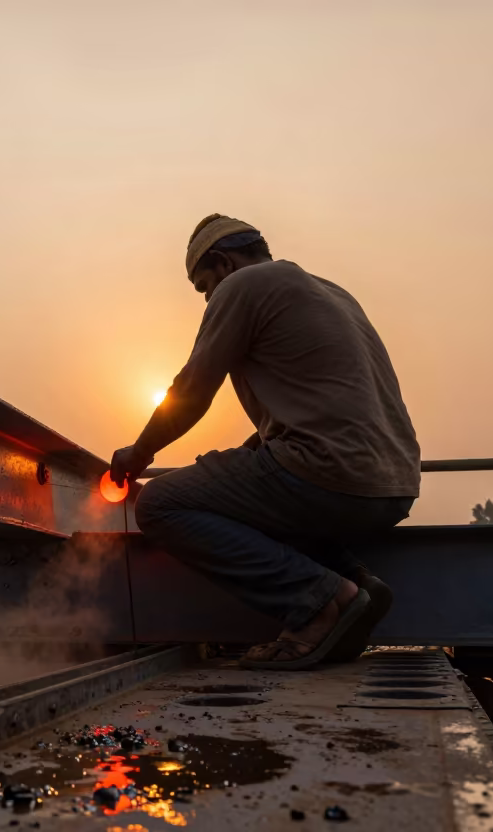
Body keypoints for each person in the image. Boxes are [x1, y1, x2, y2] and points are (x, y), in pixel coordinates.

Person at [109, 214, 420, 669]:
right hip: (393, 487)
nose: (208, 298)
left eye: (203, 286)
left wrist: (137, 454)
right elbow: (324, 404)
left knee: (160, 504)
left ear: (223, 261)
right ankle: (357, 584)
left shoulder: (244, 285)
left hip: (326, 476)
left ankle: (316, 604)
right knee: (241, 488)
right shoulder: (333, 293)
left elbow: (191, 392)